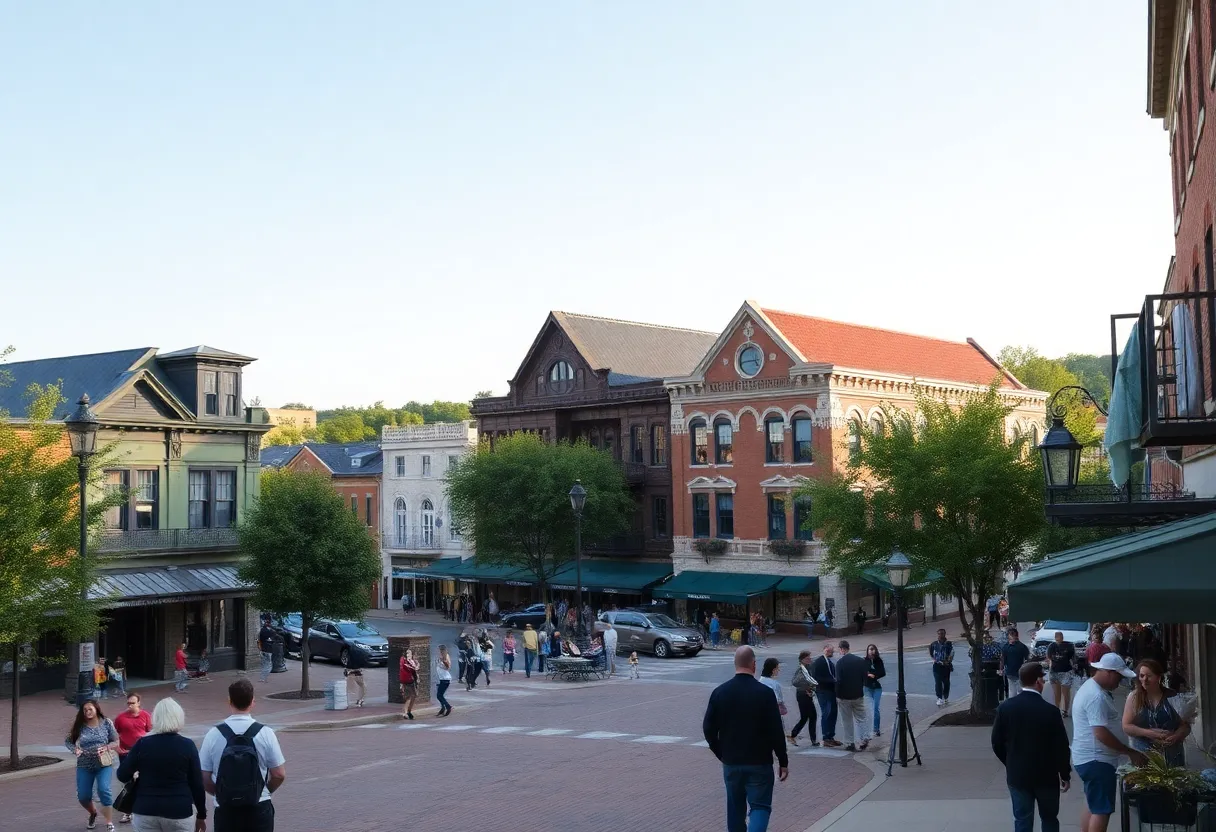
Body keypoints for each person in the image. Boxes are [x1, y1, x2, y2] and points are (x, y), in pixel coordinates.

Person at [702, 647, 789, 832]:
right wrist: (783, 760)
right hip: (759, 762)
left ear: (735, 664)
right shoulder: (765, 693)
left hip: (732, 762)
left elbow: (708, 729)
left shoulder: (720, 692)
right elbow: (776, 730)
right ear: (754, 665)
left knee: (735, 809)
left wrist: (721, 753)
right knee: (760, 806)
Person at [990, 662, 1071, 832]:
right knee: (1049, 818)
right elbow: (1061, 746)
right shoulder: (1050, 711)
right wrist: (1064, 773)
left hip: (1018, 773)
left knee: (1022, 820)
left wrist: (1010, 761)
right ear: (1038, 681)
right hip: (1046, 775)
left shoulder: (1005, 708)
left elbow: (996, 742)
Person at [199, 679, 286, 832]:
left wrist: (220, 793)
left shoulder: (213, 734)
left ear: (229, 701)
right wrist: (263, 791)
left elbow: (204, 777)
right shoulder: (265, 733)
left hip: (226, 809)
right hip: (259, 807)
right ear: (252, 702)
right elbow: (279, 774)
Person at [1072, 653, 1144, 832]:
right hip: (1097, 760)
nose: (1119, 682)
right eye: (1119, 677)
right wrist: (1129, 751)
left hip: (1088, 758)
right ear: (1109, 673)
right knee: (1101, 810)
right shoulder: (1096, 696)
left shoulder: (1090, 687)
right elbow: (1100, 733)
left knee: (1093, 804)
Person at [116, 698, 207, 832]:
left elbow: (122, 775)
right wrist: (201, 815)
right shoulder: (187, 745)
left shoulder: (142, 744)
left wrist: (136, 775)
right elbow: (197, 783)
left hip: (146, 808)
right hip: (179, 809)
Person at [1123, 658, 1191, 767]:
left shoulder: (1172, 696)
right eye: (1142, 676)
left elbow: (1185, 726)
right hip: (1144, 756)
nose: (1145, 680)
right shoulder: (1134, 697)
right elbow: (1126, 726)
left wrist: (1177, 735)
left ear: (1159, 677)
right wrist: (1150, 733)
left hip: (1171, 756)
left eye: (1149, 676)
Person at [68, 699, 120, 832]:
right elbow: (68, 741)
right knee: (83, 796)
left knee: (104, 790)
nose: (88, 712)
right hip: (84, 764)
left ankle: (109, 822)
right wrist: (75, 749)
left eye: (90, 709)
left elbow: (116, 741)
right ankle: (93, 813)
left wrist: (107, 747)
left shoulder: (106, 723)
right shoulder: (79, 725)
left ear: (96, 709)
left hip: (103, 763)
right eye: (85, 710)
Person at [114, 693, 152, 824]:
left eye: (133, 703)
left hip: (142, 753)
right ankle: (127, 811)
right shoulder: (120, 718)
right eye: (128, 703)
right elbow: (114, 734)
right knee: (128, 781)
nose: (130, 705)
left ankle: (143, 808)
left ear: (139, 703)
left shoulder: (146, 716)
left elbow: (150, 732)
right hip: (126, 753)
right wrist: (117, 747)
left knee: (143, 779)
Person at [834, 640, 868, 752]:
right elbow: (865, 678)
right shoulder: (860, 661)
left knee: (847, 720)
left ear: (842, 649)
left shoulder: (840, 663)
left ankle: (849, 743)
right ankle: (864, 738)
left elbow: (838, 681)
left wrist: (837, 695)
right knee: (861, 718)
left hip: (844, 696)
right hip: (858, 694)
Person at [811, 643, 840, 747]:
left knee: (833, 713)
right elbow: (815, 678)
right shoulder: (819, 662)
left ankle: (830, 736)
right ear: (825, 650)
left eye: (832, 651)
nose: (832, 652)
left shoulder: (829, 662)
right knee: (827, 712)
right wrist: (832, 680)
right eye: (830, 651)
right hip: (823, 691)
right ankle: (826, 737)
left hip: (831, 691)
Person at [788, 650, 819, 748]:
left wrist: (812, 689)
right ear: (801, 660)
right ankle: (812, 739)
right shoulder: (801, 669)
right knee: (812, 716)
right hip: (802, 695)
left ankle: (794, 735)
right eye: (807, 658)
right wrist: (806, 687)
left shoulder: (809, 668)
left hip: (807, 694)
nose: (809, 659)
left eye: (809, 658)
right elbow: (795, 682)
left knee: (805, 717)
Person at [1046, 631, 1077, 717]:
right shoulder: (1051, 646)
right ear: (1055, 638)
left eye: (1060, 636)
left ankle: (1065, 711)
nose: (1059, 638)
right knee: (1056, 693)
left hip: (1066, 672)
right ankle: (1057, 710)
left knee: (1065, 692)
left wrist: (1074, 668)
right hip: (1054, 672)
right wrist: (1050, 668)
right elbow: (1049, 658)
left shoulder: (1069, 646)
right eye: (1057, 637)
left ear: (1063, 637)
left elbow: (1073, 658)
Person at [999, 628, 1031, 699]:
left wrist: (1001, 669)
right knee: (1015, 692)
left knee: (1015, 692)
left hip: (1016, 673)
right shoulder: (1021, 646)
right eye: (1011, 634)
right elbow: (1002, 659)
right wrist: (1001, 669)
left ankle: (1015, 704)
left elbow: (1002, 660)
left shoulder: (1008, 646)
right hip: (1013, 673)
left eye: (1012, 634)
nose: (1012, 636)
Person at [758, 659, 787, 736]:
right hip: (773, 715)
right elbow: (777, 700)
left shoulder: (760, 681)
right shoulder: (773, 684)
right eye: (777, 668)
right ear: (773, 670)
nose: (779, 670)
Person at [863, 644, 886, 740]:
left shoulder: (878, 660)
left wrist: (874, 675)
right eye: (870, 649)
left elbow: (882, 672)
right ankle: (870, 729)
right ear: (867, 651)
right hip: (867, 687)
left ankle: (876, 729)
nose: (871, 651)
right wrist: (868, 674)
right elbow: (862, 672)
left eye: (873, 649)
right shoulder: (865, 661)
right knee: (870, 708)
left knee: (875, 708)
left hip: (877, 687)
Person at [929, 628, 953, 706]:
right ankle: (939, 698)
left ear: (944, 634)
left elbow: (952, 653)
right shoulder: (934, 644)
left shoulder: (949, 644)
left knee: (946, 682)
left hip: (946, 666)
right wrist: (934, 659)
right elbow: (931, 653)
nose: (940, 635)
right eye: (939, 634)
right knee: (938, 681)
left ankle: (946, 696)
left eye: (942, 634)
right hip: (937, 665)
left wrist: (948, 661)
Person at [344, 635, 368, 708]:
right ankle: (360, 700)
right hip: (357, 672)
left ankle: (349, 702)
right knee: (362, 685)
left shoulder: (349, 652)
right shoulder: (359, 652)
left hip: (350, 672)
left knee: (349, 688)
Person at [399, 648, 420, 719]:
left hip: (412, 680)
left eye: (409, 653)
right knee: (408, 697)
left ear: (411, 654)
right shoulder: (403, 660)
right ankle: (405, 713)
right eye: (406, 653)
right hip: (406, 681)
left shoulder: (412, 661)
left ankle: (409, 711)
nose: (407, 654)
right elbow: (407, 667)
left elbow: (416, 668)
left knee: (414, 695)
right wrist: (415, 667)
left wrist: (417, 666)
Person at [435, 645, 453, 717]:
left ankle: (448, 707)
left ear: (442, 650)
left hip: (445, 679)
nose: (438, 651)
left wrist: (443, 661)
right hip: (440, 679)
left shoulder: (446, 656)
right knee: (440, 695)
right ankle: (443, 708)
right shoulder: (440, 657)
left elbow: (448, 667)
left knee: (439, 696)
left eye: (439, 650)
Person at [257, 618, 276, 684]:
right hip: (268, 650)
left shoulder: (261, 630)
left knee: (264, 664)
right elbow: (274, 637)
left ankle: (262, 678)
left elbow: (259, 640)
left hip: (263, 649)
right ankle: (264, 678)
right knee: (269, 665)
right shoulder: (271, 632)